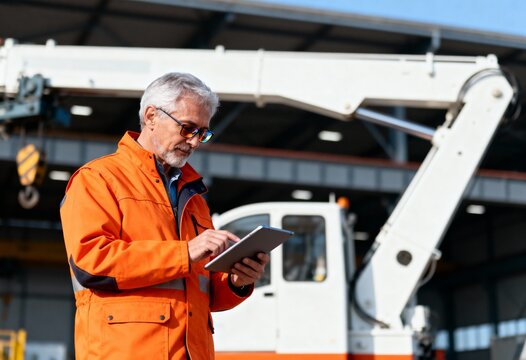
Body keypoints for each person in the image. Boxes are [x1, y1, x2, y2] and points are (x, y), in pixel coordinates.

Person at [60, 72, 269, 360]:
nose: (194, 142)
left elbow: (203, 293)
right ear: (151, 116)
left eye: (202, 133)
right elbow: (92, 264)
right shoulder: (98, 179)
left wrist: (236, 281)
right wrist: (186, 252)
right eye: (187, 128)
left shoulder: (194, 199)